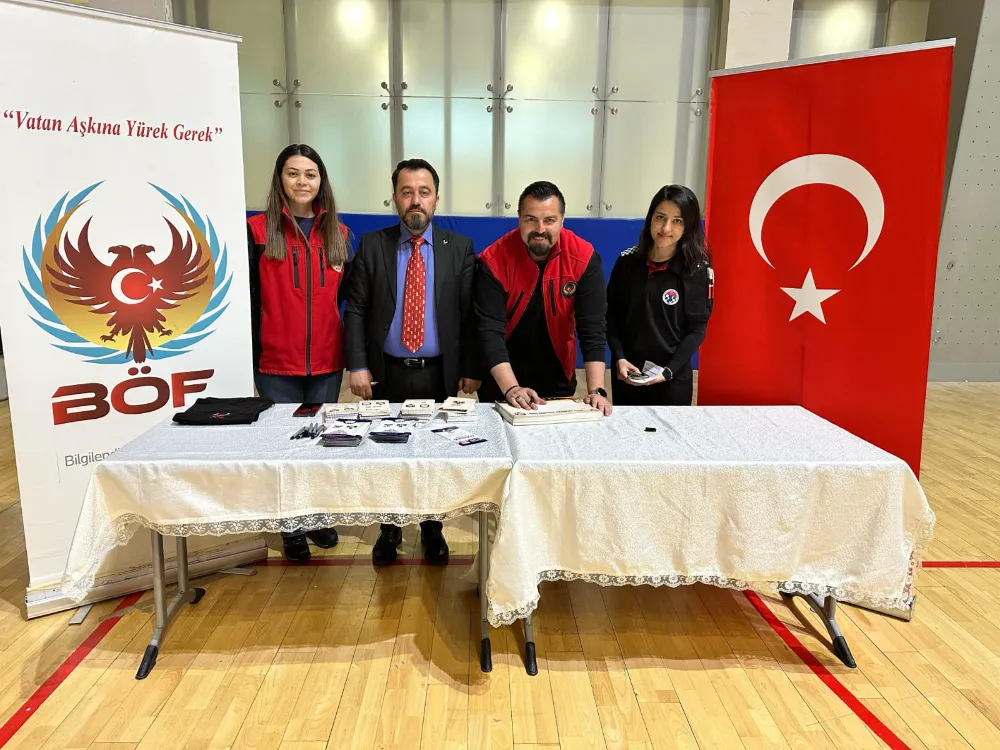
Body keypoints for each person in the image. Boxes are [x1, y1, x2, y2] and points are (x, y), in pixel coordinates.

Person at [344, 158, 480, 566]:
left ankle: (432, 527)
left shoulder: (460, 248)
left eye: (424, 192)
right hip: (386, 372)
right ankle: (389, 528)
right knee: (387, 453)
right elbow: (356, 308)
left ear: (436, 198)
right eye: (407, 192)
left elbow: (470, 316)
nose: (415, 200)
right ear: (395, 198)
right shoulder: (373, 244)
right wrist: (357, 364)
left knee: (434, 452)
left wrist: (470, 368)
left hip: (439, 373)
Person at [247, 143, 351, 563]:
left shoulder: (339, 233)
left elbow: (344, 298)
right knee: (284, 444)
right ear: (280, 179)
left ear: (321, 181)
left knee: (318, 441)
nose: (302, 182)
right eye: (293, 173)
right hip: (276, 362)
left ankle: (317, 514)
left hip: (326, 361)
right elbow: (249, 299)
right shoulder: (257, 232)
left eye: (310, 174)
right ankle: (291, 523)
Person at [475, 181, 612, 415]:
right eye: (531, 219)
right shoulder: (493, 260)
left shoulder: (584, 258)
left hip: (557, 374)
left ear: (562, 219)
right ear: (519, 218)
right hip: (502, 376)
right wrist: (512, 388)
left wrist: (597, 390)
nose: (540, 229)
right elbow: (489, 331)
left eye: (549, 220)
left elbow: (593, 330)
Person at [606, 184, 713, 406]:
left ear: (688, 226)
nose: (666, 228)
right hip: (628, 375)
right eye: (660, 217)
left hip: (671, 380)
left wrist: (669, 371)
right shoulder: (626, 263)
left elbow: (696, 330)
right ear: (650, 219)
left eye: (677, 221)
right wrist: (620, 358)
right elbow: (611, 317)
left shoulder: (696, 270)